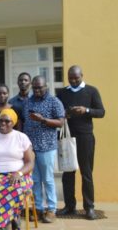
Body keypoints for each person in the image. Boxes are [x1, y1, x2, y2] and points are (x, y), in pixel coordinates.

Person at [57, 65, 105, 220]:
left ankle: (89, 207)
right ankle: (69, 206)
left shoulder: (92, 91)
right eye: (70, 78)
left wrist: (86, 110)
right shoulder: (63, 92)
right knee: (68, 173)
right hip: (67, 136)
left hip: (85, 137)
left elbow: (101, 112)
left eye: (76, 78)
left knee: (86, 173)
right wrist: (64, 114)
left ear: (82, 75)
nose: (73, 80)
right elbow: (57, 112)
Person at [23, 76, 64, 223]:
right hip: (30, 148)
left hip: (46, 147)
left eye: (40, 87)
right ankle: (38, 208)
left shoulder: (54, 101)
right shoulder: (28, 102)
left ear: (46, 86)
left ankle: (51, 209)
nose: (37, 90)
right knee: (34, 179)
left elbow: (61, 122)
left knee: (47, 179)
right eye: (34, 88)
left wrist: (43, 120)